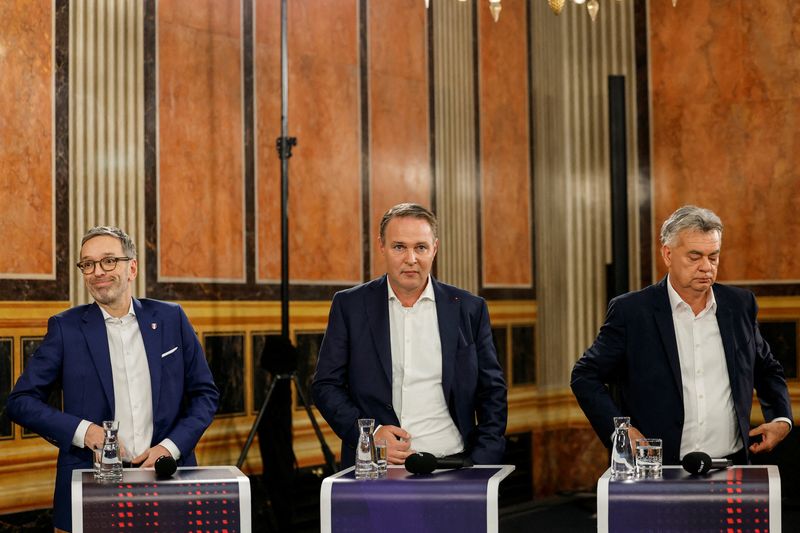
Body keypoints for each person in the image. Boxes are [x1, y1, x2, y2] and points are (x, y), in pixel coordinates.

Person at [7, 226, 219, 532]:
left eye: (108, 261)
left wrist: (171, 447)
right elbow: (20, 402)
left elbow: (205, 395)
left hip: (167, 478)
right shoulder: (66, 328)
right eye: (88, 264)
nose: (98, 272)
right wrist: (85, 432)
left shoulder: (172, 318)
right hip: (91, 485)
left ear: (131, 267)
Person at [571, 205, 793, 465]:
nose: (706, 267)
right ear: (667, 254)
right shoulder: (631, 312)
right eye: (695, 256)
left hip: (731, 464)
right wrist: (620, 431)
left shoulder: (740, 305)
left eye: (713, 257)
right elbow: (584, 376)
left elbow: (766, 369)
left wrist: (782, 420)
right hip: (657, 468)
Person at [312, 203, 507, 467]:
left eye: (421, 247)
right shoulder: (350, 306)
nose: (411, 259)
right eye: (399, 247)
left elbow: (492, 391)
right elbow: (326, 385)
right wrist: (368, 435)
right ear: (382, 246)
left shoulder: (469, 309)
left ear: (434, 248)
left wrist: (483, 459)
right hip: (376, 466)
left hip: (456, 465)